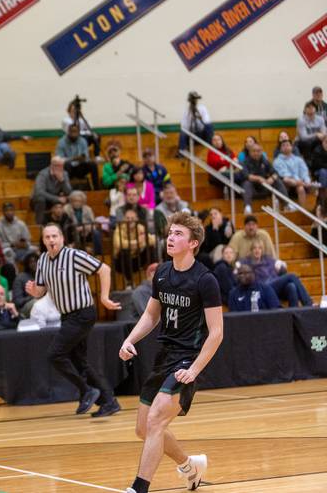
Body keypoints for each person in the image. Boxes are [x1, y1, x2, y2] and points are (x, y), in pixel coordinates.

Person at [119, 212, 223, 493]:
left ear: (193, 243)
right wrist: (130, 339)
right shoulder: (163, 273)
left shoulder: (205, 280)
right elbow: (151, 316)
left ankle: (139, 488)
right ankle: (190, 466)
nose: (171, 238)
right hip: (163, 356)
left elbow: (216, 333)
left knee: (155, 420)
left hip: (187, 359)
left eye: (178, 234)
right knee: (144, 428)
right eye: (170, 233)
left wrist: (194, 370)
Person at [26, 223, 122, 418]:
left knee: (55, 354)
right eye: (47, 237)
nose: (51, 240)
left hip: (83, 313)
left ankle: (87, 391)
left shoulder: (74, 256)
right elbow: (41, 290)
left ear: (62, 238)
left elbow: (104, 269)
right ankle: (109, 401)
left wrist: (103, 297)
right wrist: (34, 291)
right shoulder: (43, 260)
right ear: (43, 241)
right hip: (67, 316)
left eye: (55, 236)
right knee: (80, 362)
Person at [239, 240, 312, 307]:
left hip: (274, 286)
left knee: (291, 286)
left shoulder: (268, 259)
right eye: (254, 248)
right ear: (251, 251)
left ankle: (294, 313)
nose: (257, 250)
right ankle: (308, 304)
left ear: (262, 250)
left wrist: (282, 267)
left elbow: (281, 271)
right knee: (292, 276)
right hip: (262, 288)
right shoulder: (247, 262)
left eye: (259, 248)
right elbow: (239, 269)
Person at [241, 143, 288, 214]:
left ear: (262, 151)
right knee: (247, 183)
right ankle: (247, 207)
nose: (256, 153)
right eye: (254, 151)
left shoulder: (264, 160)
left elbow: (275, 173)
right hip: (252, 190)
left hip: (265, 187)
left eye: (258, 151)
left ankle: (287, 204)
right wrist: (258, 178)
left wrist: (272, 178)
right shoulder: (245, 162)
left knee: (277, 181)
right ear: (250, 152)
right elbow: (246, 175)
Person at [113, 208, 156, 285]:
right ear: (124, 219)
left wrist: (139, 244)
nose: (130, 220)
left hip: (136, 259)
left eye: (132, 218)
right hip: (121, 263)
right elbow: (119, 244)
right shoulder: (119, 228)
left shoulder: (140, 227)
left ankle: (153, 276)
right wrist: (137, 242)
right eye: (127, 218)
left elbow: (152, 240)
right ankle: (129, 282)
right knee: (124, 251)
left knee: (151, 248)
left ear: (137, 219)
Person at [273, 137, 316, 207]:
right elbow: (284, 175)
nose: (286, 147)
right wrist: (299, 182)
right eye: (283, 145)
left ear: (292, 147)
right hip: (286, 184)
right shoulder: (277, 161)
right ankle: (286, 206)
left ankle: (303, 210)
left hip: (299, 184)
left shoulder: (298, 159)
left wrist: (307, 182)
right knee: (286, 180)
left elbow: (304, 172)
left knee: (302, 188)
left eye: (288, 145)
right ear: (280, 149)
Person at [30, 156, 72, 224]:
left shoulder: (64, 173)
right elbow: (39, 192)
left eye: (62, 166)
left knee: (73, 197)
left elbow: (68, 192)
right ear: (52, 165)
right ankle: (40, 225)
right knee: (40, 199)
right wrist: (57, 199)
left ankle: (67, 224)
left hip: (55, 198)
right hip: (41, 200)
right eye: (58, 166)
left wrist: (62, 181)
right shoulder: (42, 174)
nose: (61, 168)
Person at [56, 125, 99, 189]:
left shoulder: (83, 141)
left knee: (93, 165)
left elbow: (85, 156)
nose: (73, 134)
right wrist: (73, 158)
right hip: (67, 169)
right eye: (72, 131)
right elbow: (59, 159)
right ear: (68, 132)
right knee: (66, 165)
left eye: (75, 131)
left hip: (80, 167)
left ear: (79, 132)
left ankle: (97, 190)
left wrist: (84, 159)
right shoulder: (61, 142)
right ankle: (65, 189)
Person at [64, 190, 102, 255]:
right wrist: (76, 229)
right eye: (74, 201)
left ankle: (98, 254)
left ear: (83, 201)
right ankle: (79, 253)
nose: (77, 203)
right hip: (73, 232)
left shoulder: (88, 209)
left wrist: (84, 228)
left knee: (96, 233)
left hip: (87, 231)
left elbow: (93, 224)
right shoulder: (66, 209)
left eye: (79, 201)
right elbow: (66, 223)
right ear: (71, 201)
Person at [178, 91, 213, 155]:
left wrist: (200, 117)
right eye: (193, 99)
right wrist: (190, 117)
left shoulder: (202, 108)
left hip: (201, 135)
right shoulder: (187, 111)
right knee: (182, 132)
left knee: (209, 126)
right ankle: (182, 151)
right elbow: (183, 126)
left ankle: (210, 146)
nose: (195, 101)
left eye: (196, 99)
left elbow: (207, 121)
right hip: (191, 136)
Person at [13, 252, 39, 318]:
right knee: (37, 302)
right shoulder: (20, 278)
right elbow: (18, 302)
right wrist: (33, 296)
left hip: (43, 303)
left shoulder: (43, 276)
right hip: (24, 308)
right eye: (31, 262)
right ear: (27, 264)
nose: (34, 264)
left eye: (36, 261)